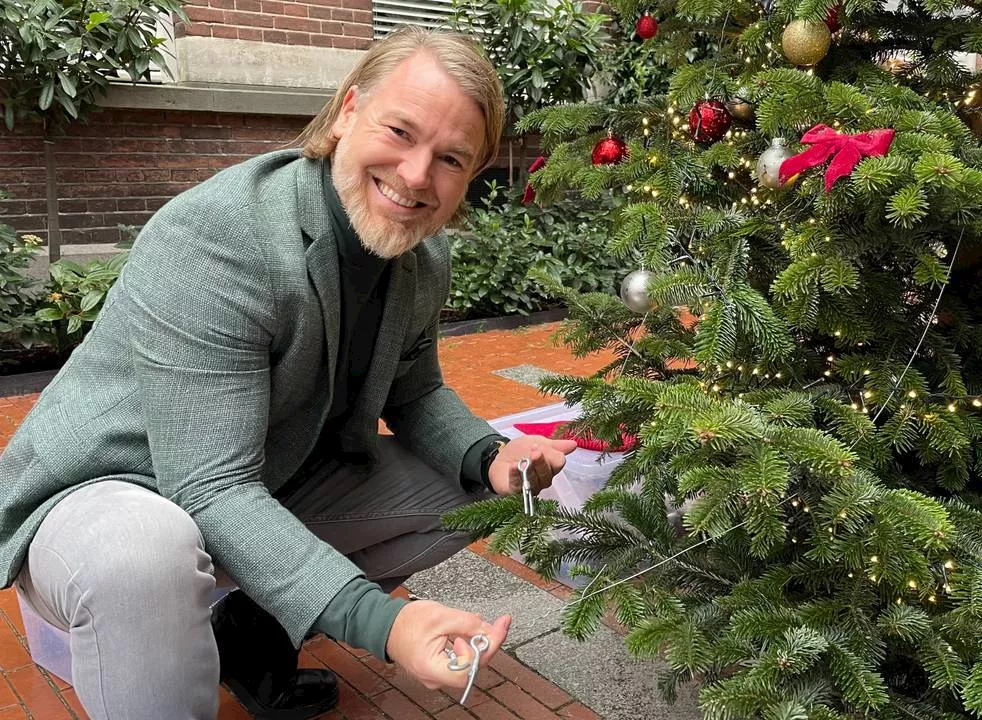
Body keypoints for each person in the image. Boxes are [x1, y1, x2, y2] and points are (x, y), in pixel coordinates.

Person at [0, 26, 578, 719]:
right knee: (144, 555)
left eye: (450, 159)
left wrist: (494, 457)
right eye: (401, 130)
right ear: (348, 112)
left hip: (263, 470)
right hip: (111, 491)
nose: (418, 175)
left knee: (476, 490)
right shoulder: (222, 235)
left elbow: (416, 392)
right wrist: (382, 623)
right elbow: (209, 483)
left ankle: (254, 631)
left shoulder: (424, 259)